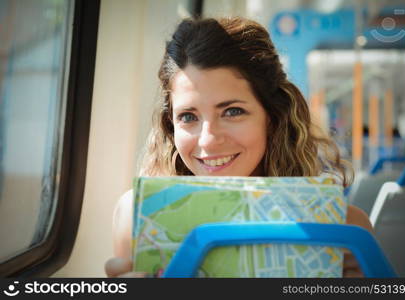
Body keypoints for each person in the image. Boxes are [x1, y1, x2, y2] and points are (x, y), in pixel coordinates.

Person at [105, 17, 373, 278]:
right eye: (188, 117)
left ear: (273, 117)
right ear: (171, 125)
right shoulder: (137, 219)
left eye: (232, 111)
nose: (208, 140)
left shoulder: (346, 230)